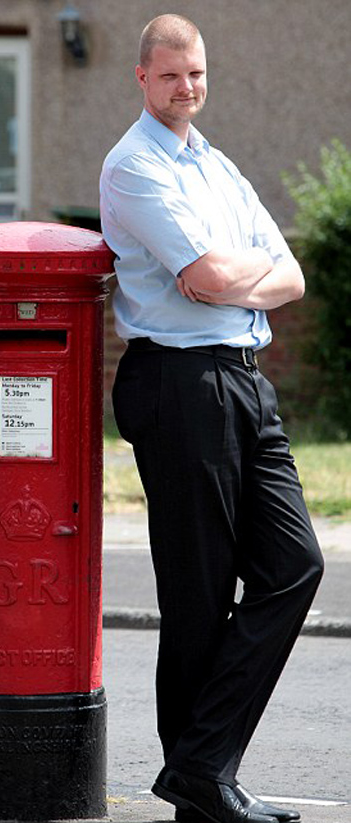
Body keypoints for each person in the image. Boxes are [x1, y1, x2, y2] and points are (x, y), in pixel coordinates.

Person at [100, 14, 323, 823]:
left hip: (242, 379)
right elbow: (199, 275)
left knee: (294, 565)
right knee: (197, 592)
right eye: (169, 76)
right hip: (179, 383)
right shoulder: (134, 167)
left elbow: (288, 274)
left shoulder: (217, 165)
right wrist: (239, 274)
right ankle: (201, 781)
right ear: (142, 78)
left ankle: (200, 763)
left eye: (195, 74)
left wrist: (244, 277)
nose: (185, 88)